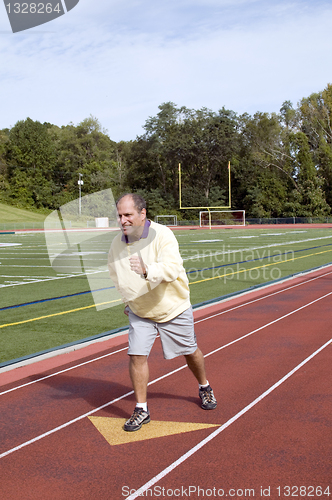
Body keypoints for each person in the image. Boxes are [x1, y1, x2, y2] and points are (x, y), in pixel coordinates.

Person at [108, 193, 217, 432]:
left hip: (173, 307)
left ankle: (204, 386)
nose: (123, 220)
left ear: (142, 213)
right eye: (119, 215)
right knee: (136, 355)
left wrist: (147, 270)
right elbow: (115, 274)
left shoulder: (163, 234)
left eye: (128, 215)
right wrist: (127, 299)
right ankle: (141, 409)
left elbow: (172, 268)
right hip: (141, 311)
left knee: (190, 351)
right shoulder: (117, 243)